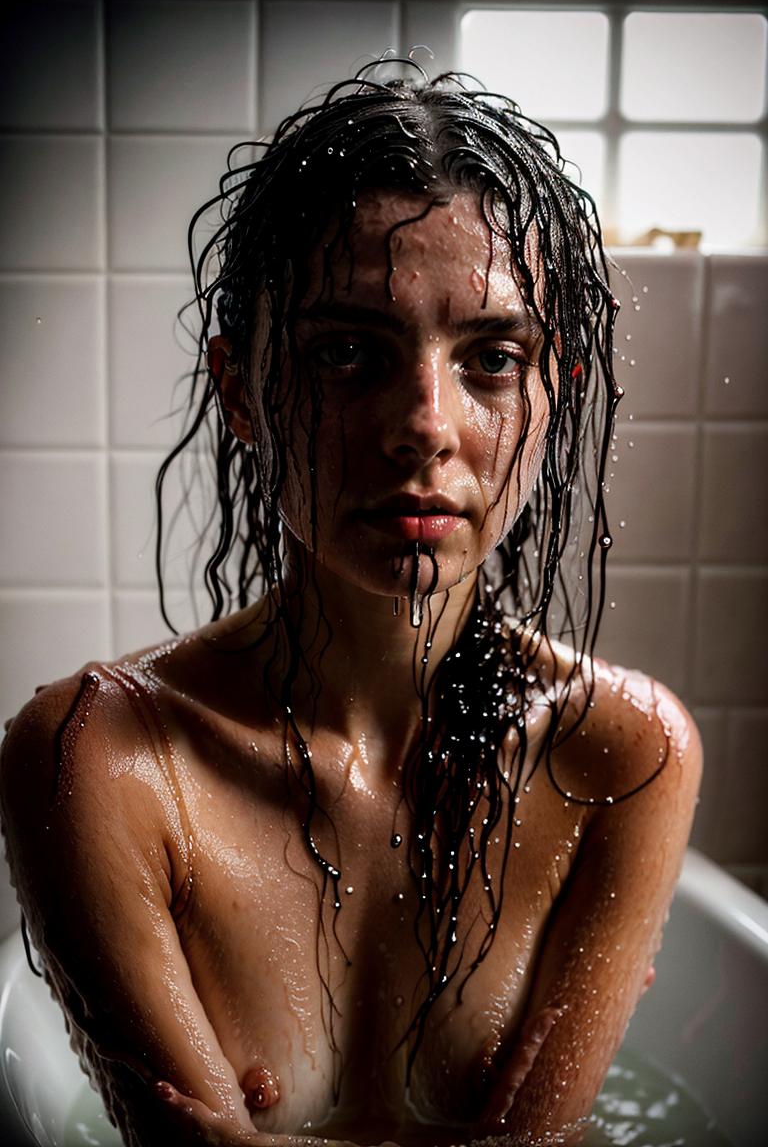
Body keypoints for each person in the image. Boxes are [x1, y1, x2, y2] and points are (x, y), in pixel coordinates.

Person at [0, 63, 700, 1147]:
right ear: (241, 389)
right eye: (346, 354)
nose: (425, 424)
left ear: (552, 391)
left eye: (493, 360)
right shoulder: (102, 761)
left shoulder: (624, 755)